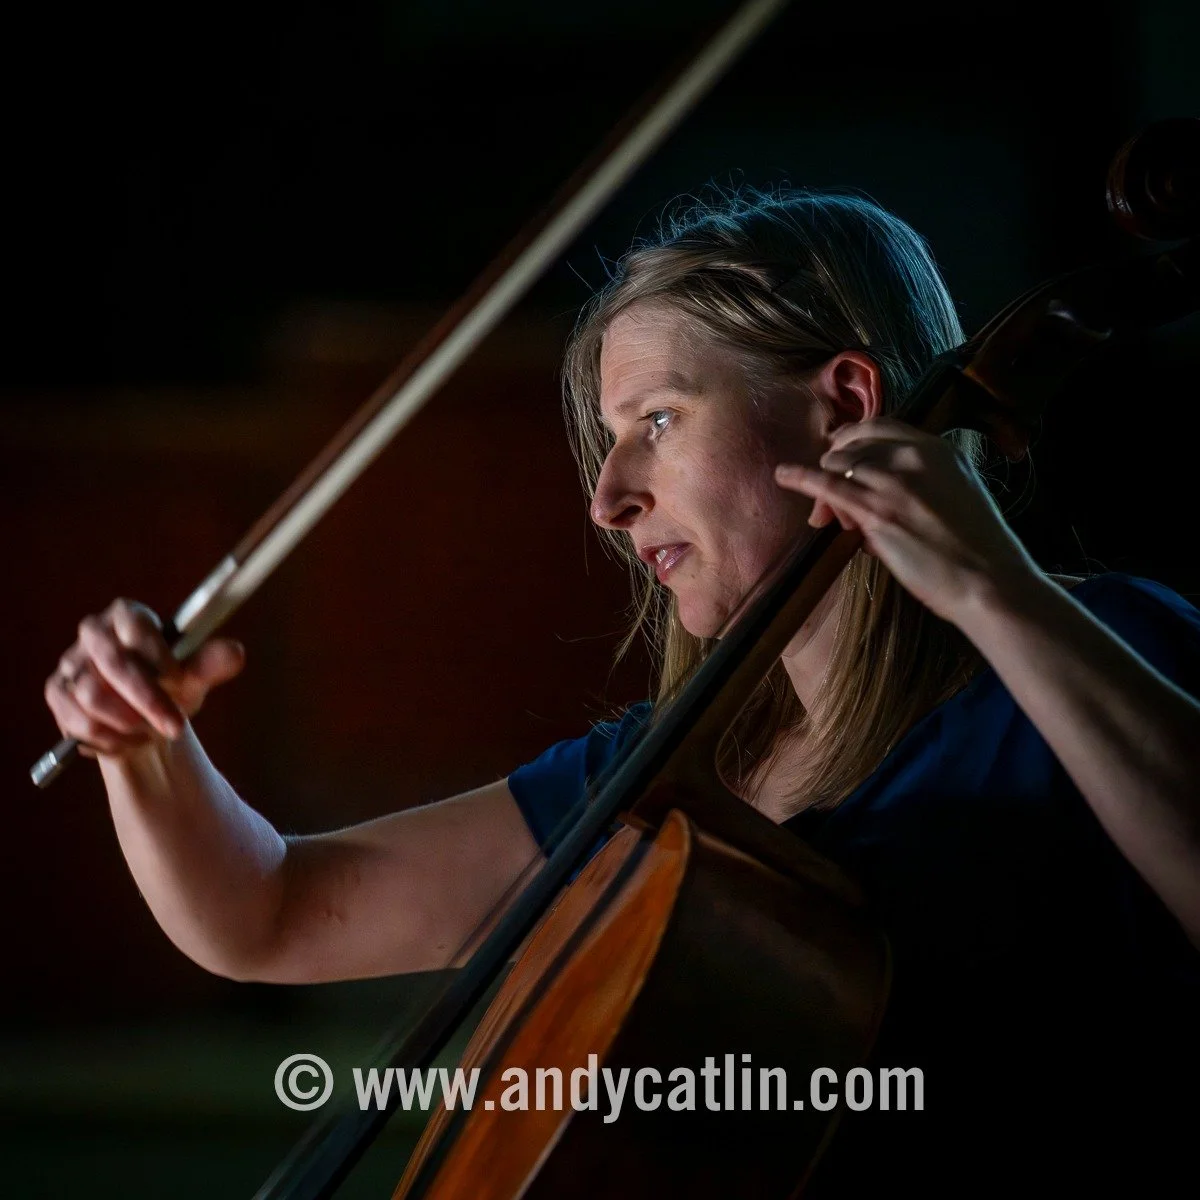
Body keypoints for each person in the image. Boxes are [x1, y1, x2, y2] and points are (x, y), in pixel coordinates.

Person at [44, 189, 1200, 1194]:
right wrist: (146, 747)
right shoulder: (664, 793)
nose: (609, 499)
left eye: (658, 421)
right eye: (611, 438)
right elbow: (271, 911)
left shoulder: (1100, 653)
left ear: (846, 403)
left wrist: (995, 588)